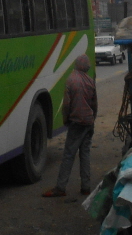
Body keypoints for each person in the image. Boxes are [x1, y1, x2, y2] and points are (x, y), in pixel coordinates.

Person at [42, 54, 97, 198]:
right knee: (85, 154)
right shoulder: (90, 81)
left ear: (76, 64)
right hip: (88, 122)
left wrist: (66, 120)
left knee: (68, 155)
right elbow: (94, 105)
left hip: (76, 123)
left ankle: (60, 187)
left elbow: (67, 105)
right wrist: (92, 119)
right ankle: (86, 187)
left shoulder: (71, 80)